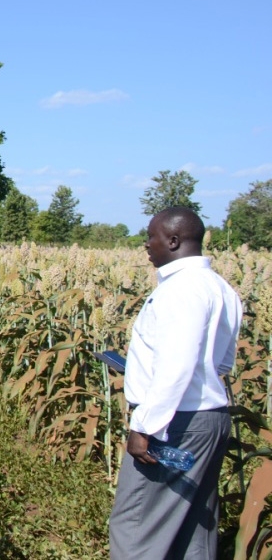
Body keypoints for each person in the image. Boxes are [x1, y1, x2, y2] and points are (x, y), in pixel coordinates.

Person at [109, 207, 242, 559]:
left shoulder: (181, 290)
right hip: (210, 420)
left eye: (150, 236)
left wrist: (145, 426)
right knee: (191, 533)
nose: (145, 244)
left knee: (137, 531)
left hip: (175, 425)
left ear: (173, 240)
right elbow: (222, 364)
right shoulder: (221, 288)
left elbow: (176, 367)